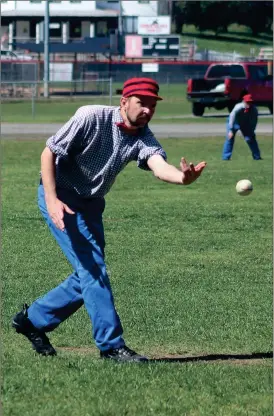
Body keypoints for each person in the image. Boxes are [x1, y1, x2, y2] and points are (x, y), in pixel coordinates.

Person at [12, 77, 207, 363]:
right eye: (142, 103)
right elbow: (49, 152)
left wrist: (182, 178)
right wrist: (52, 201)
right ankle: (111, 346)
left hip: (91, 204)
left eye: (152, 105)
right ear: (124, 101)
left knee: (89, 274)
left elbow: (158, 165)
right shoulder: (90, 116)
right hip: (61, 195)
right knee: (93, 270)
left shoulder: (142, 136)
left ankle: (33, 320)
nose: (147, 111)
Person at [222, 94, 262, 161]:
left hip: (245, 123)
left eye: (250, 102)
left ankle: (257, 156)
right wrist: (231, 130)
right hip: (234, 122)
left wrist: (252, 130)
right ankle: (226, 157)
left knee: (251, 139)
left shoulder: (254, 109)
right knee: (230, 138)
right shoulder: (239, 107)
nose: (249, 104)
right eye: (247, 102)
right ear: (243, 101)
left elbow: (254, 121)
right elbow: (232, 116)